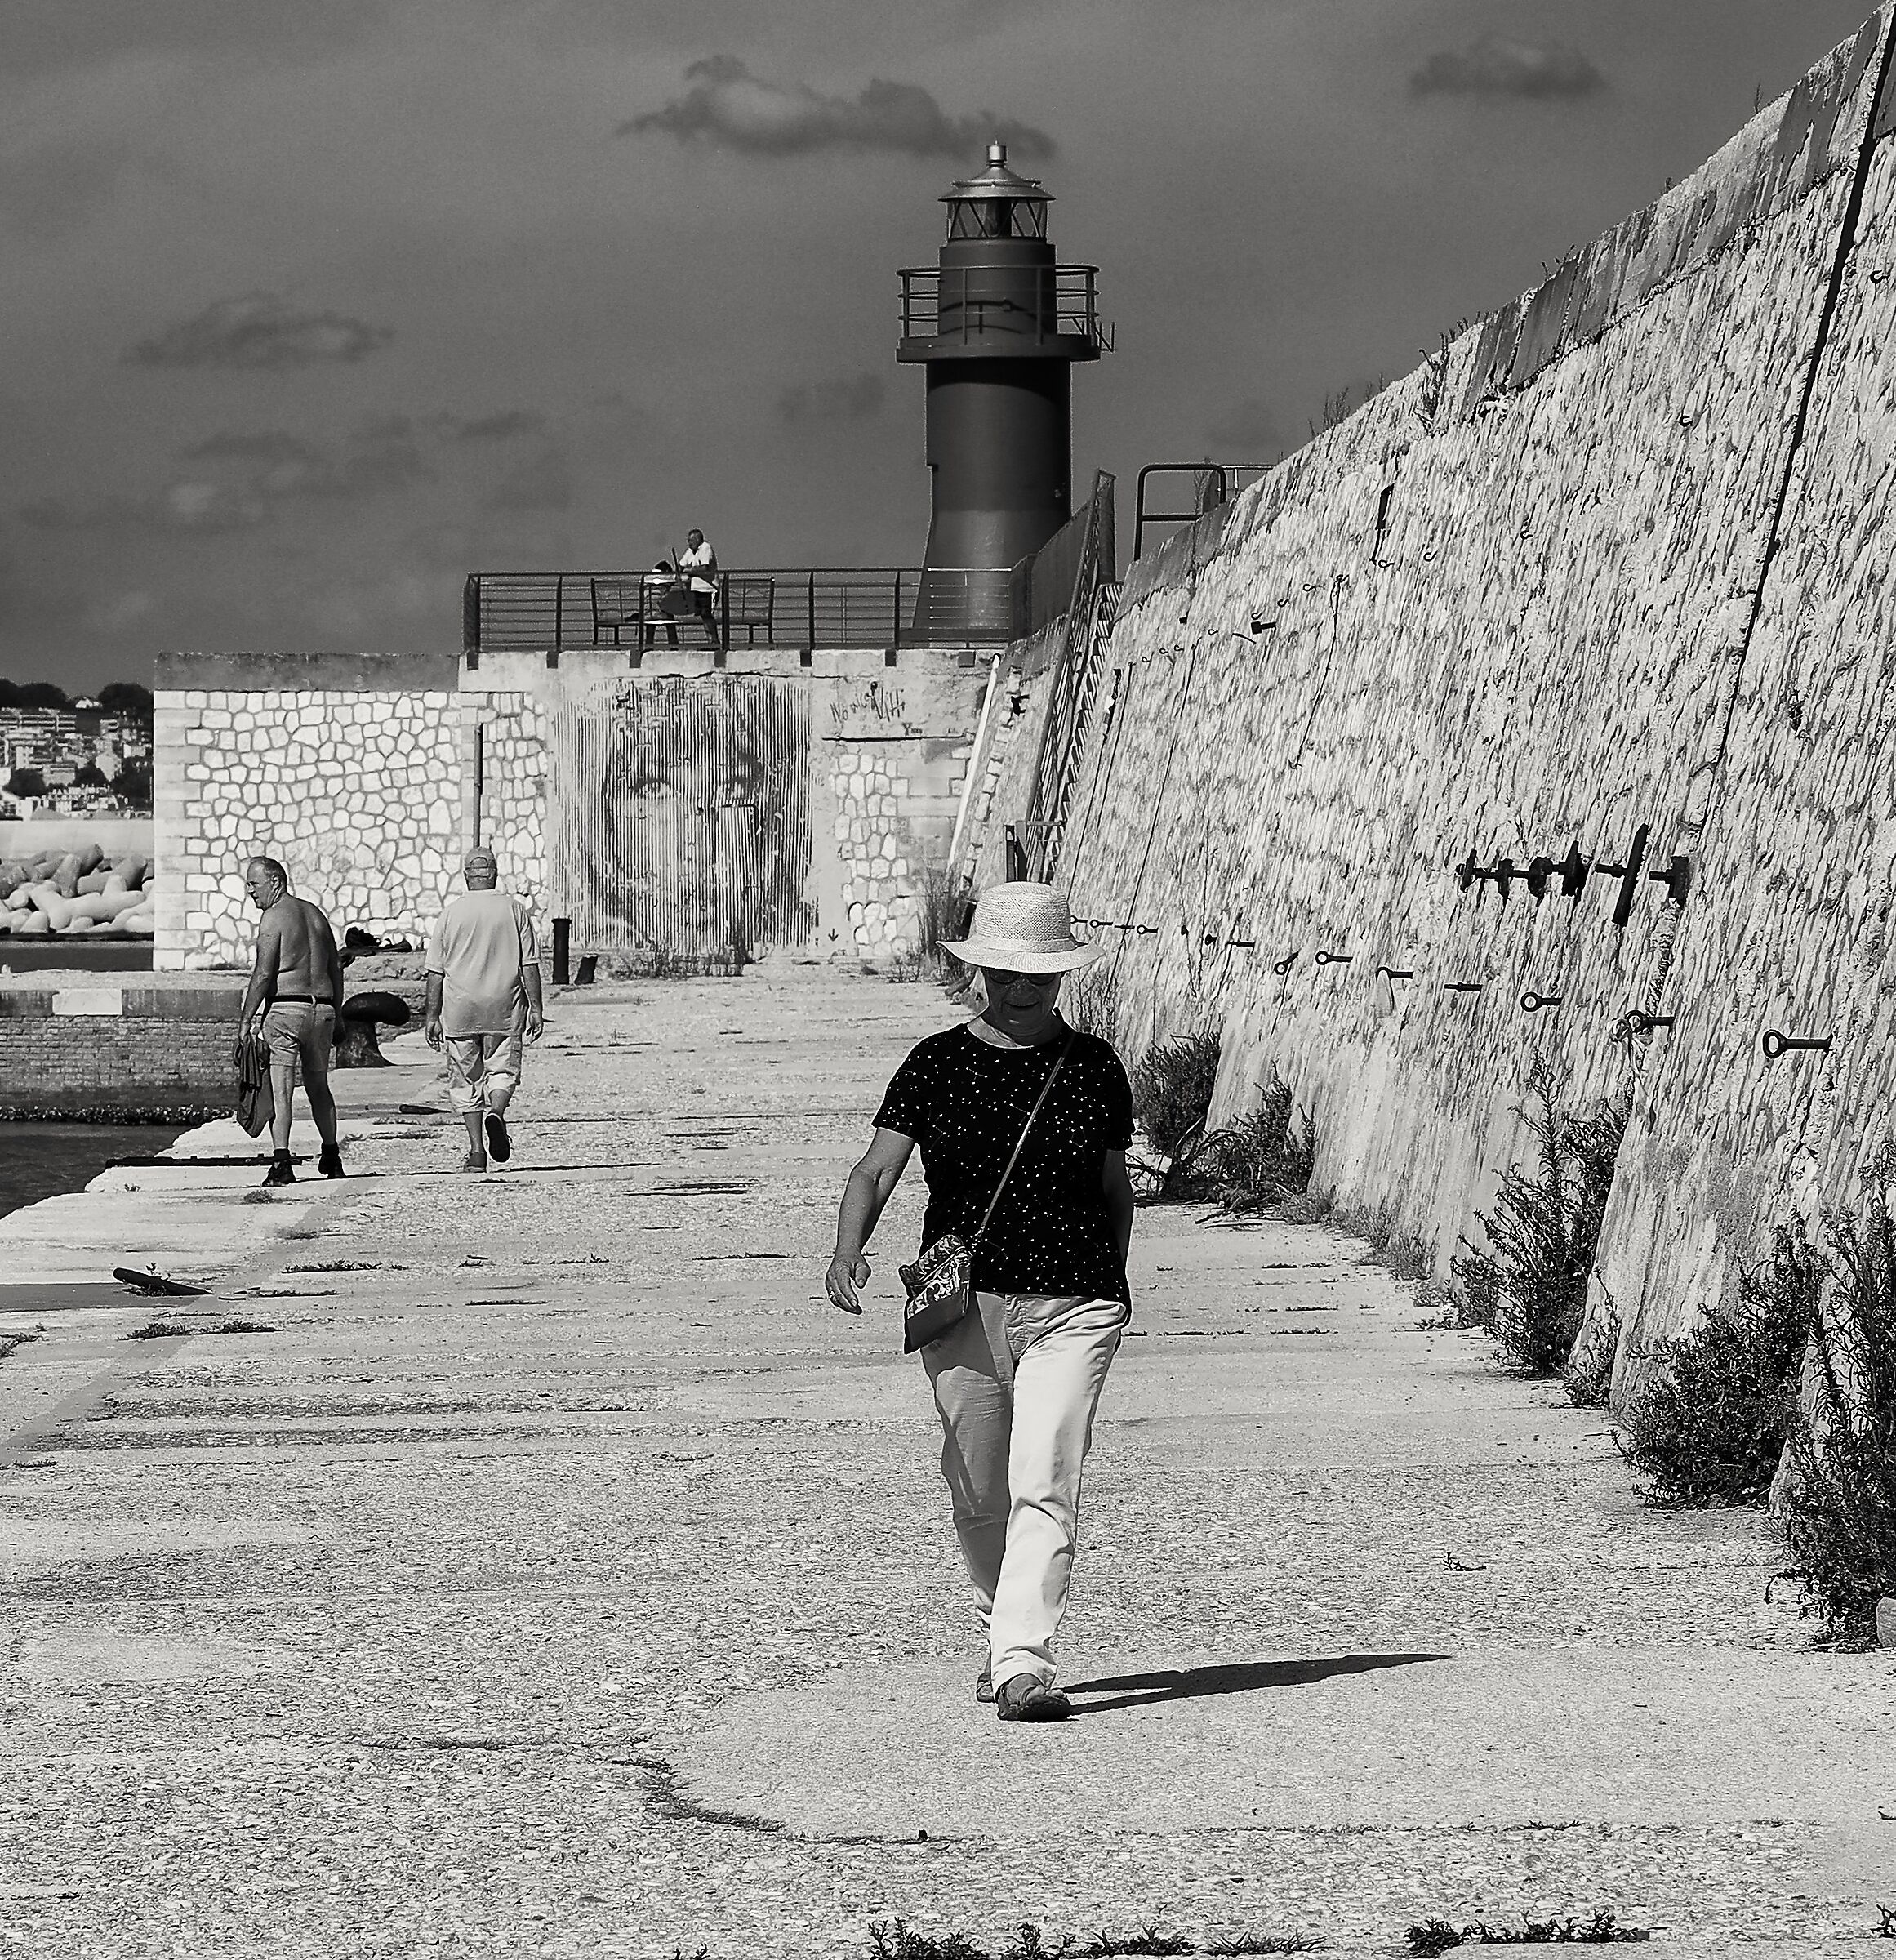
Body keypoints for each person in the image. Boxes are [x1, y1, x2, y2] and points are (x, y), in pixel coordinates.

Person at [826, 882, 1137, 1723]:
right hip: (964, 1305)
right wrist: (847, 1247)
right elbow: (877, 1169)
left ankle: (1024, 1664)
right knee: (979, 1490)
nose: (1019, 987)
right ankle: (999, 1628)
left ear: (1063, 977)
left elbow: (1115, 1192)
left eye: (1036, 973)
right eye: (1003, 972)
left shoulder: (1096, 1068)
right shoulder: (935, 1062)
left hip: (1075, 1303)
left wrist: (1115, 1285)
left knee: (1045, 1477)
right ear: (979, 973)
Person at [424, 846, 545, 1173]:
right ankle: (497, 1111)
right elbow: (529, 964)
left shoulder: (450, 914)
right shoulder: (514, 910)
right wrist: (536, 1008)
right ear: (495, 873)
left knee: (465, 1079)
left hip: (460, 1009)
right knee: (502, 1071)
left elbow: (436, 970)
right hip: (504, 1007)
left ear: (466, 875)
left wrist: (431, 1016)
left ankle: (477, 1153)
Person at [237, 856, 345, 1188]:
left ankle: (282, 1162)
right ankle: (331, 1156)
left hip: (287, 1010)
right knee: (318, 1085)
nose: (250, 891)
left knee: (281, 1090)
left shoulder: (273, 918)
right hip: (322, 1010)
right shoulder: (315, 914)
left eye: (254, 884)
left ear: (275, 881)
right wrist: (337, 1014)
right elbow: (335, 969)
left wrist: (246, 1019)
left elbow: (264, 973)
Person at [678, 528, 722, 651]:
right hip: (697, 589)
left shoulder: (705, 548)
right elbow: (681, 565)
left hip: (709, 589)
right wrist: (678, 572)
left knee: (706, 614)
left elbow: (704, 568)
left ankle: (714, 641)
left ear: (698, 540)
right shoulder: (690, 551)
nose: (689, 543)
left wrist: (689, 571)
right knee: (701, 615)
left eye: (691, 540)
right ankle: (710, 641)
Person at [642, 559, 681, 649]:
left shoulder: (646, 577)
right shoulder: (666, 576)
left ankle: (648, 647)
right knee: (670, 624)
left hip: (648, 610)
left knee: (650, 628)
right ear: (667, 570)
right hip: (662, 609)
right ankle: (673, 646)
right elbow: (677, 579)